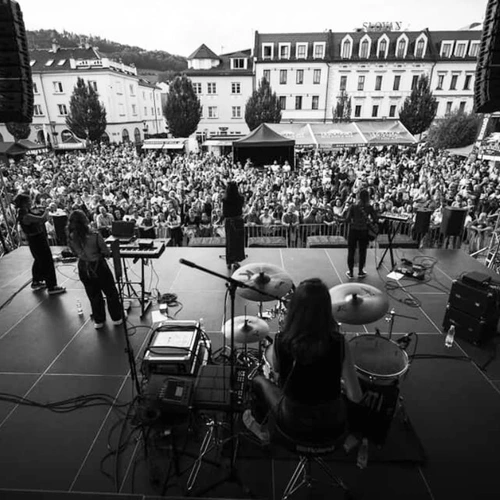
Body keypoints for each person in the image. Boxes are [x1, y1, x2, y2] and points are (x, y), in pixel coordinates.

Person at [243, 278, 363, 443]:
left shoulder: (282, 341)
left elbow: (276, 368)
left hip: (291, 423)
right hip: (332, 427)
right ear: (327, 309)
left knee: (258, 380)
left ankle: (261, 429)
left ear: (294, 309)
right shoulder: (340, 343)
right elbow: (356, 396)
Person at [66, 210, 122, 330]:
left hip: (83, 268)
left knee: (93, 294)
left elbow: (74, 252)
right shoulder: (95, 235)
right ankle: (117, 318)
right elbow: (106, 253)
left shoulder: (71, 236)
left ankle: (99, 320)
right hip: (99, 267)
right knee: (110, 292)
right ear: (84, 220)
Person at [14, 193, 66, 295]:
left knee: (38, 260)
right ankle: (52, 286)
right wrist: (46, 211)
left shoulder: (24, 212)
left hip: (34, 239)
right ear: (24, 203)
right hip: (36, 239)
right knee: (47, 261)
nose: (31, 203)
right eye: (29, 201)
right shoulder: (26, 215)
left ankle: (36, 281)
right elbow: (42, 219)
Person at [344, 189, 377, 279]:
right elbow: (375, 219)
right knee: (363, 251)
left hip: (353, 230)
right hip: (364, 231)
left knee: (351, 251)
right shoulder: (369, 207)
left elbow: (347, 219)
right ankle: (360, 271)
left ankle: (350, 272)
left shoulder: (353, 206)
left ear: (358, 196)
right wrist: (367, 221)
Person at [222, 181, 245, 269]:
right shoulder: (241, 198)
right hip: (238, 221)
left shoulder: (225, 200)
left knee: (229, 242)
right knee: (238, 242)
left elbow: (225, 213)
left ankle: (229, 261)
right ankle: (236, 261)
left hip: (229, 221)